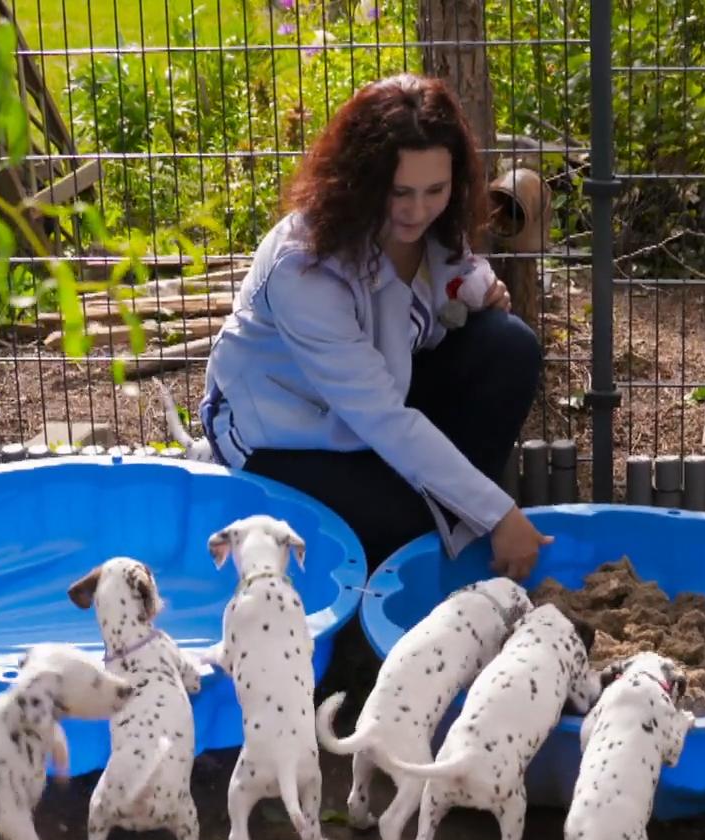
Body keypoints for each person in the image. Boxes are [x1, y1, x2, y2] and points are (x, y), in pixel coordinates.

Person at [194, 73, 553, 579]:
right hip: (285, 434)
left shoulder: (433, 222)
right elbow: (383, 417)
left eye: (436, 190)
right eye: (399, 192)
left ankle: (452, 522)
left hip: (375, 406)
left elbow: (459, 272)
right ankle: (435, 537)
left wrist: (480, 289)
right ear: (360, 179)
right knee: (413, 520)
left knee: (508, 346)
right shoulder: (305, 267)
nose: (418, 210)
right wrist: (496, 511)